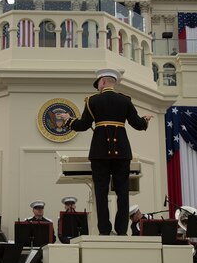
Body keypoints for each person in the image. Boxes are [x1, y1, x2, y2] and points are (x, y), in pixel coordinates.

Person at [61, 69, 153, 236]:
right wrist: (145, 120)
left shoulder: (92, 101)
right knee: (122, 192)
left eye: (98, 85)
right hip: (122, 153)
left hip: (100, 152)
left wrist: (68, 120)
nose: (98, 88)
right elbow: (138, 125)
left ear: (102, 82)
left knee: (101, 192)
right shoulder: (125, 100)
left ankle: (104, 230)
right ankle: (121, 230)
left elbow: (82, 125)